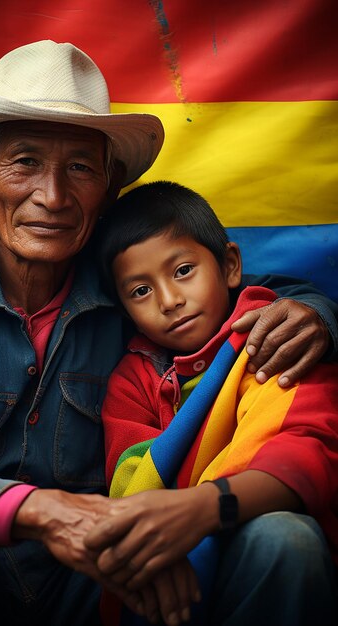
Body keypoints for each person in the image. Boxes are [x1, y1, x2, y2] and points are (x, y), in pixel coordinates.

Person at [0, 40, 337, 626]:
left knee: (283, 539)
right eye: (25, 162)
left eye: (81, 169)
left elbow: (242, 292)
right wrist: (47, 512)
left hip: (99, 575)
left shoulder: (130, 280)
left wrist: (315, 313)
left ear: (109, 189)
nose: (54, 196)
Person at [90, 180, 338, 625]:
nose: (170, 301)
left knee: (286, 536)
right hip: (175, 557)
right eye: (140, 291)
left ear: (229, 265)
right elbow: (129, 481)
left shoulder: (273, 338)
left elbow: (306, 452)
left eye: (183, 270)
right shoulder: (134, 378)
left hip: (254, 530)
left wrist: (204, 506)